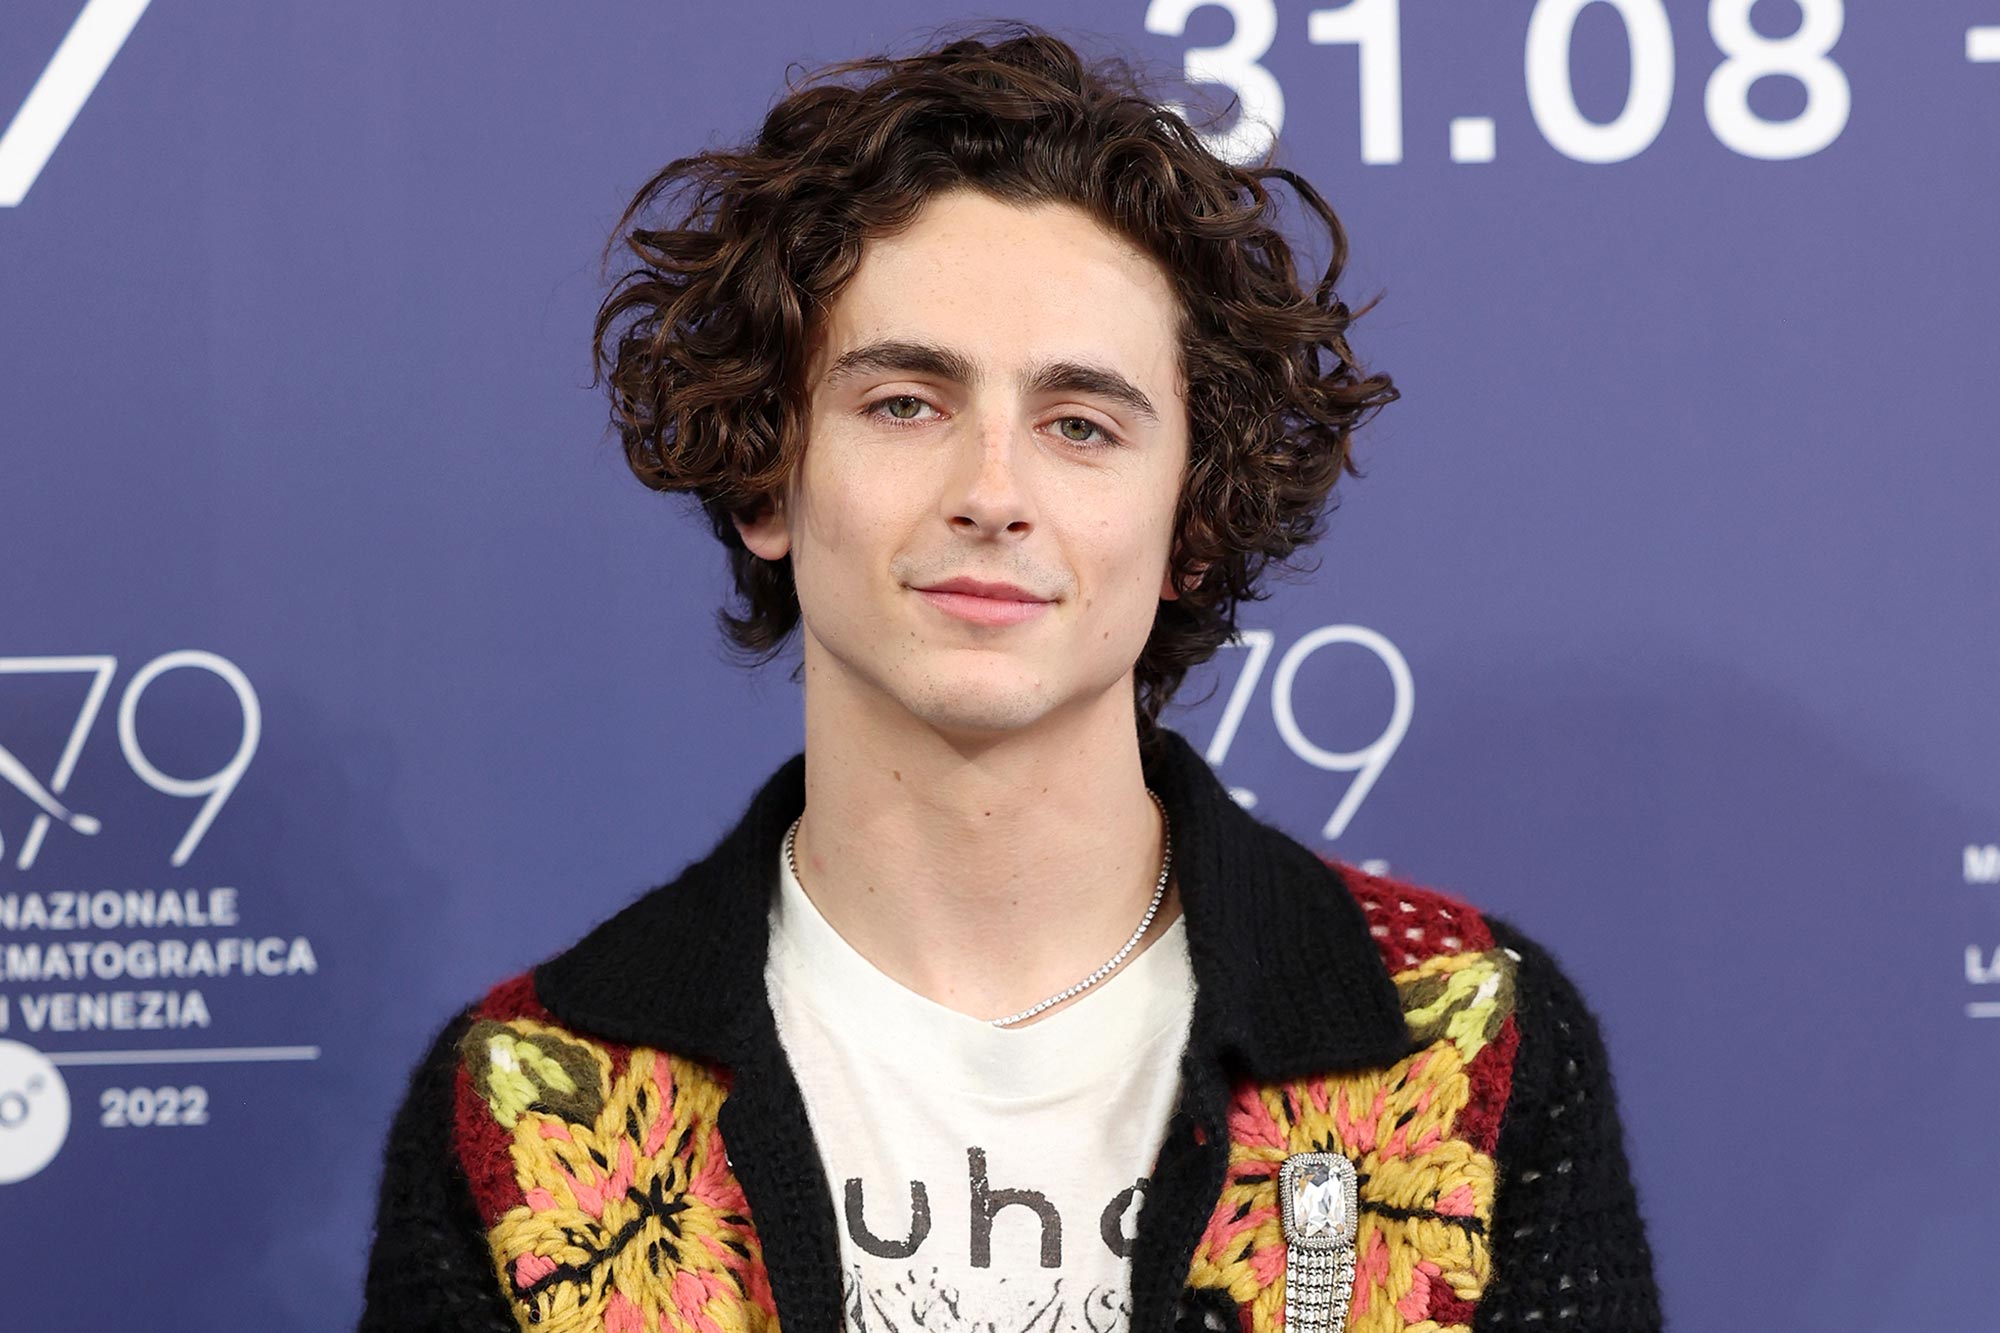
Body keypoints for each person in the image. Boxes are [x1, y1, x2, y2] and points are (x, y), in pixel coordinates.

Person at [360, 21, 1662, 1333]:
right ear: (767, 471)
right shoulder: (534, 1098)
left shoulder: (1466, 1039)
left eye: (1080, 424)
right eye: (905, 403)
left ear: (1191, 524)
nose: (993, 493)